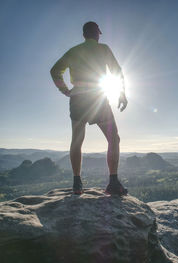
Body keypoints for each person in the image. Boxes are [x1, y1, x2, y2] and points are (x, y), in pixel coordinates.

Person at [50, 21, 128, 196]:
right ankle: (113, 183)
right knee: (113, 138)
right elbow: (117, 71)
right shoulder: (104, 49)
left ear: (84, 35)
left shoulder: (74, 51)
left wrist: (65, 90)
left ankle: (77, 184)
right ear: (98, 34)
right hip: (97, 97)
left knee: (77, 140)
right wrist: (122, 94)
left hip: (77, 97)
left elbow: (55, 70)